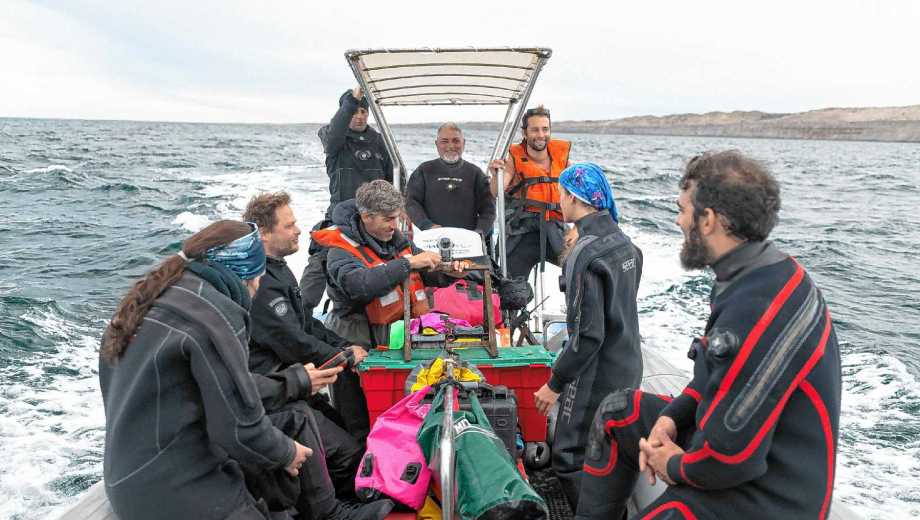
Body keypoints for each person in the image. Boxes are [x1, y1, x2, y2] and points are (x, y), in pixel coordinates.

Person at [575, 151, 842, 520]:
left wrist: (673, 466)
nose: (678, 220)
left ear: (709, 220)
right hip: (739, 457)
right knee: (619, 412)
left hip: (773, 496)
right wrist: (669, 417)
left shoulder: (757, 308)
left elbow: (730, 460)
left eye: (683, 209)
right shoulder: (751, 275)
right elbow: (712, 378)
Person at [99, 221, 310, 520]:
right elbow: (239, 429)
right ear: (246, 277)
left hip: (126, 481)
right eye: (260, 278)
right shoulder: (216, 315)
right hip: (179, 492)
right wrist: (288, 452)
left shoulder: (150, 298)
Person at [244, 192, 393, 516]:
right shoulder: (262, 283)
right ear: (265, 233)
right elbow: (292, 341)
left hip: (293, 382)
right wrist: (344, 357)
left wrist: (344, 346)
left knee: (350, 435)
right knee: (348, 452)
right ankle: (335, 511)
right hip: (275, 390)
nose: (299, 230)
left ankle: (347, 501)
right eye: (290, 225)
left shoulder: (278, 270)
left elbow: (304, 321)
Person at [312, 180, 466, 440]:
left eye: (396, 218)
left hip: (394, 340)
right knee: (358, 420)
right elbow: (359, 285)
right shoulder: (339, 250)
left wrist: (448, 272)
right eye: (388, 219)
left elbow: (424, 274)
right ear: (366, 217)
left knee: (397, 411)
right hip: (354, 340)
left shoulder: (397, 241)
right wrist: (408, 263)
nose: (394, 225)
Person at [531, 163, 643, 510]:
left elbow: (588, 335)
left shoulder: (584, 253)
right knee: (610, 451)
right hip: (629, 367)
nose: (559, 200)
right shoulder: (626, 244)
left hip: (596, 373)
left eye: (562, 194)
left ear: (575, 198)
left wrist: (555, 383)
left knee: (570, 458)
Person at [300, 87, 393, 316]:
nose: (359, 116)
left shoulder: (380, 141)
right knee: (320, 261)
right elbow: (333, 137)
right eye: (354, 111)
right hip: (340, 216)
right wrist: (351, 100)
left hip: (373, 219)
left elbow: (394, 178)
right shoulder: (333, 138)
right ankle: (300, 314)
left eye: (364, 111)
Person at [489, 105, 571, 281]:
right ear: (525, 133)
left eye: (545, 129)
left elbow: (579, 197)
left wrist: (579, 228)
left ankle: (576, 305)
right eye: (534, 129)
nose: (541, 135)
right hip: (521, 232)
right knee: (509, 289)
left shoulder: (563, 159)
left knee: (587, 267)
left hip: (555, 228)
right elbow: (496, 191)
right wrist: (496, 175)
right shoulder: (512, 158)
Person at [405, 122, 495, 235]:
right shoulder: (424, 170)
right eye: (444, 141)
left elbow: (488, 210)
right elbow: (411, 203)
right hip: (431, 238)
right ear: (436, 144)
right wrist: (427, 225)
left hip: (468, 241)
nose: (451, 146)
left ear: (464, 143)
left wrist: (478, 233)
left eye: (456, 141)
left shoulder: (476, 173)